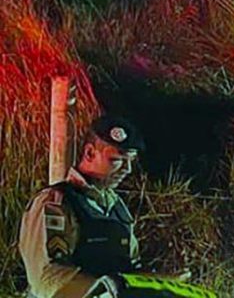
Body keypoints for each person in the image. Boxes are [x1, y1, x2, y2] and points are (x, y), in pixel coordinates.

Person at [19, 115, 145, 298]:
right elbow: (47, 277)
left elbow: (132, 268)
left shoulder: (118, 208)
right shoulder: (55, 202)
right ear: (90, 153)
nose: (127, 169)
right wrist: (105, 291)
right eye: (116, 160)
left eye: (130, 161)